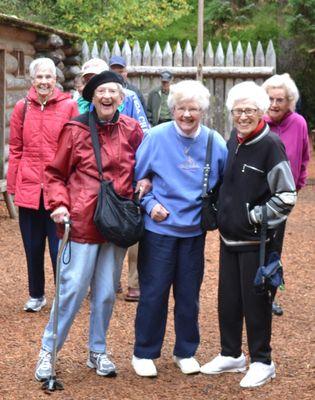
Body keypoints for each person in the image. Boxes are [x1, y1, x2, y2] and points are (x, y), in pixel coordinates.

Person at [34, 71, 145, 381]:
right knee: (71, 290)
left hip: (116, 224)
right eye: (101, 92)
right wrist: (58, 204)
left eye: (113, 91)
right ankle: (48, 351)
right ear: (92, 97)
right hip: (81, 221)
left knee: (107, 292)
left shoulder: (132, 130)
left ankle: (97, 350)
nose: (107, 97)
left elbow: (144, 167)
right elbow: (55, 173)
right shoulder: (75, 129)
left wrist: (144, 185)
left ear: (122, 98)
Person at [200, 81, 297, 388]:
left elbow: (286, 196)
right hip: (230, 239)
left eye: (249, 110)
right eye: (237, 110)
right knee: (228, 300)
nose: (242, 116)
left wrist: (253, 217)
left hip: (258, 242)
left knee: (256, 302)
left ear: (261, 111)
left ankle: (262, 361)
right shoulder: (234, 140)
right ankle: (231, 354)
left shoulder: (271, 146)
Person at [132, 80, 227, 377]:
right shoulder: (156, 137)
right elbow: (137, 182)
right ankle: (144, 352)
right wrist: (149, 205)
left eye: (193, 109)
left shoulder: (215, 143)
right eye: (181, 108)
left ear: (203, 112)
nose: (187, 114)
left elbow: (225, 186)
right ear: (172, 109)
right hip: (159, 229)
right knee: (153, 292)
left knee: (188, 295)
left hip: (193, 231)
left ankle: (185, 351)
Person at [7, 57, 78, 312]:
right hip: (29, 187)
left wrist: (73, 187)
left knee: (59, 247)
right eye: (40, 77)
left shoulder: (69, 107)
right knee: (32, 245)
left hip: (58, 190)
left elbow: (75, 149)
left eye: (49, 77)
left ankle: (63, 297)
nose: (44, 81)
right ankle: (36, 294)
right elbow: (16, 148)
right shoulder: (21, 108)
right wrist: (14, 185)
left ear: (55, 80)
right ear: (32, 80)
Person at [262, 73, 310, 316]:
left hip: (282, 199)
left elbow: (303, 159)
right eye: (270, 98)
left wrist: (295, 188)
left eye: (279, 99)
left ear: (289, 100)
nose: (274, 104)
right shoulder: (258, 122)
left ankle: (269, 297)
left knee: (274, 248)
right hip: (258, 196)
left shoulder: (299, 123)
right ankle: (251, 295)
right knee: (253, 246)